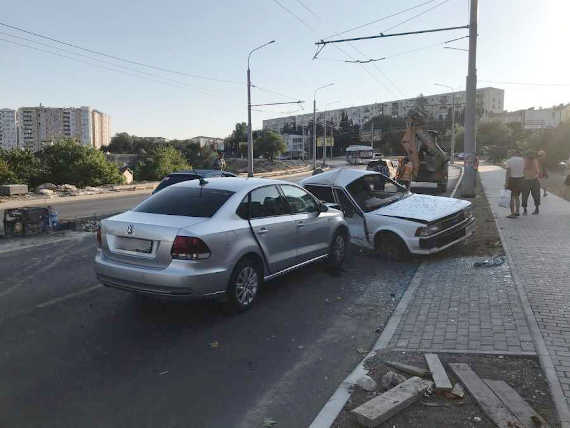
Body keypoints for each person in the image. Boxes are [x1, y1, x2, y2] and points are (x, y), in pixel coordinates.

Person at [504, 149, 525, 218]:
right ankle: (517, 211)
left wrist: (506, 183)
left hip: (512, 180)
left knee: (512, 197)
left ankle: (512, 214)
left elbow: (508, 173)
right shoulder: (523, 160)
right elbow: (524, 170)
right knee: (517, 197)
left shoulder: (509, 161)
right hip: (521, 179)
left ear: (512, 154)